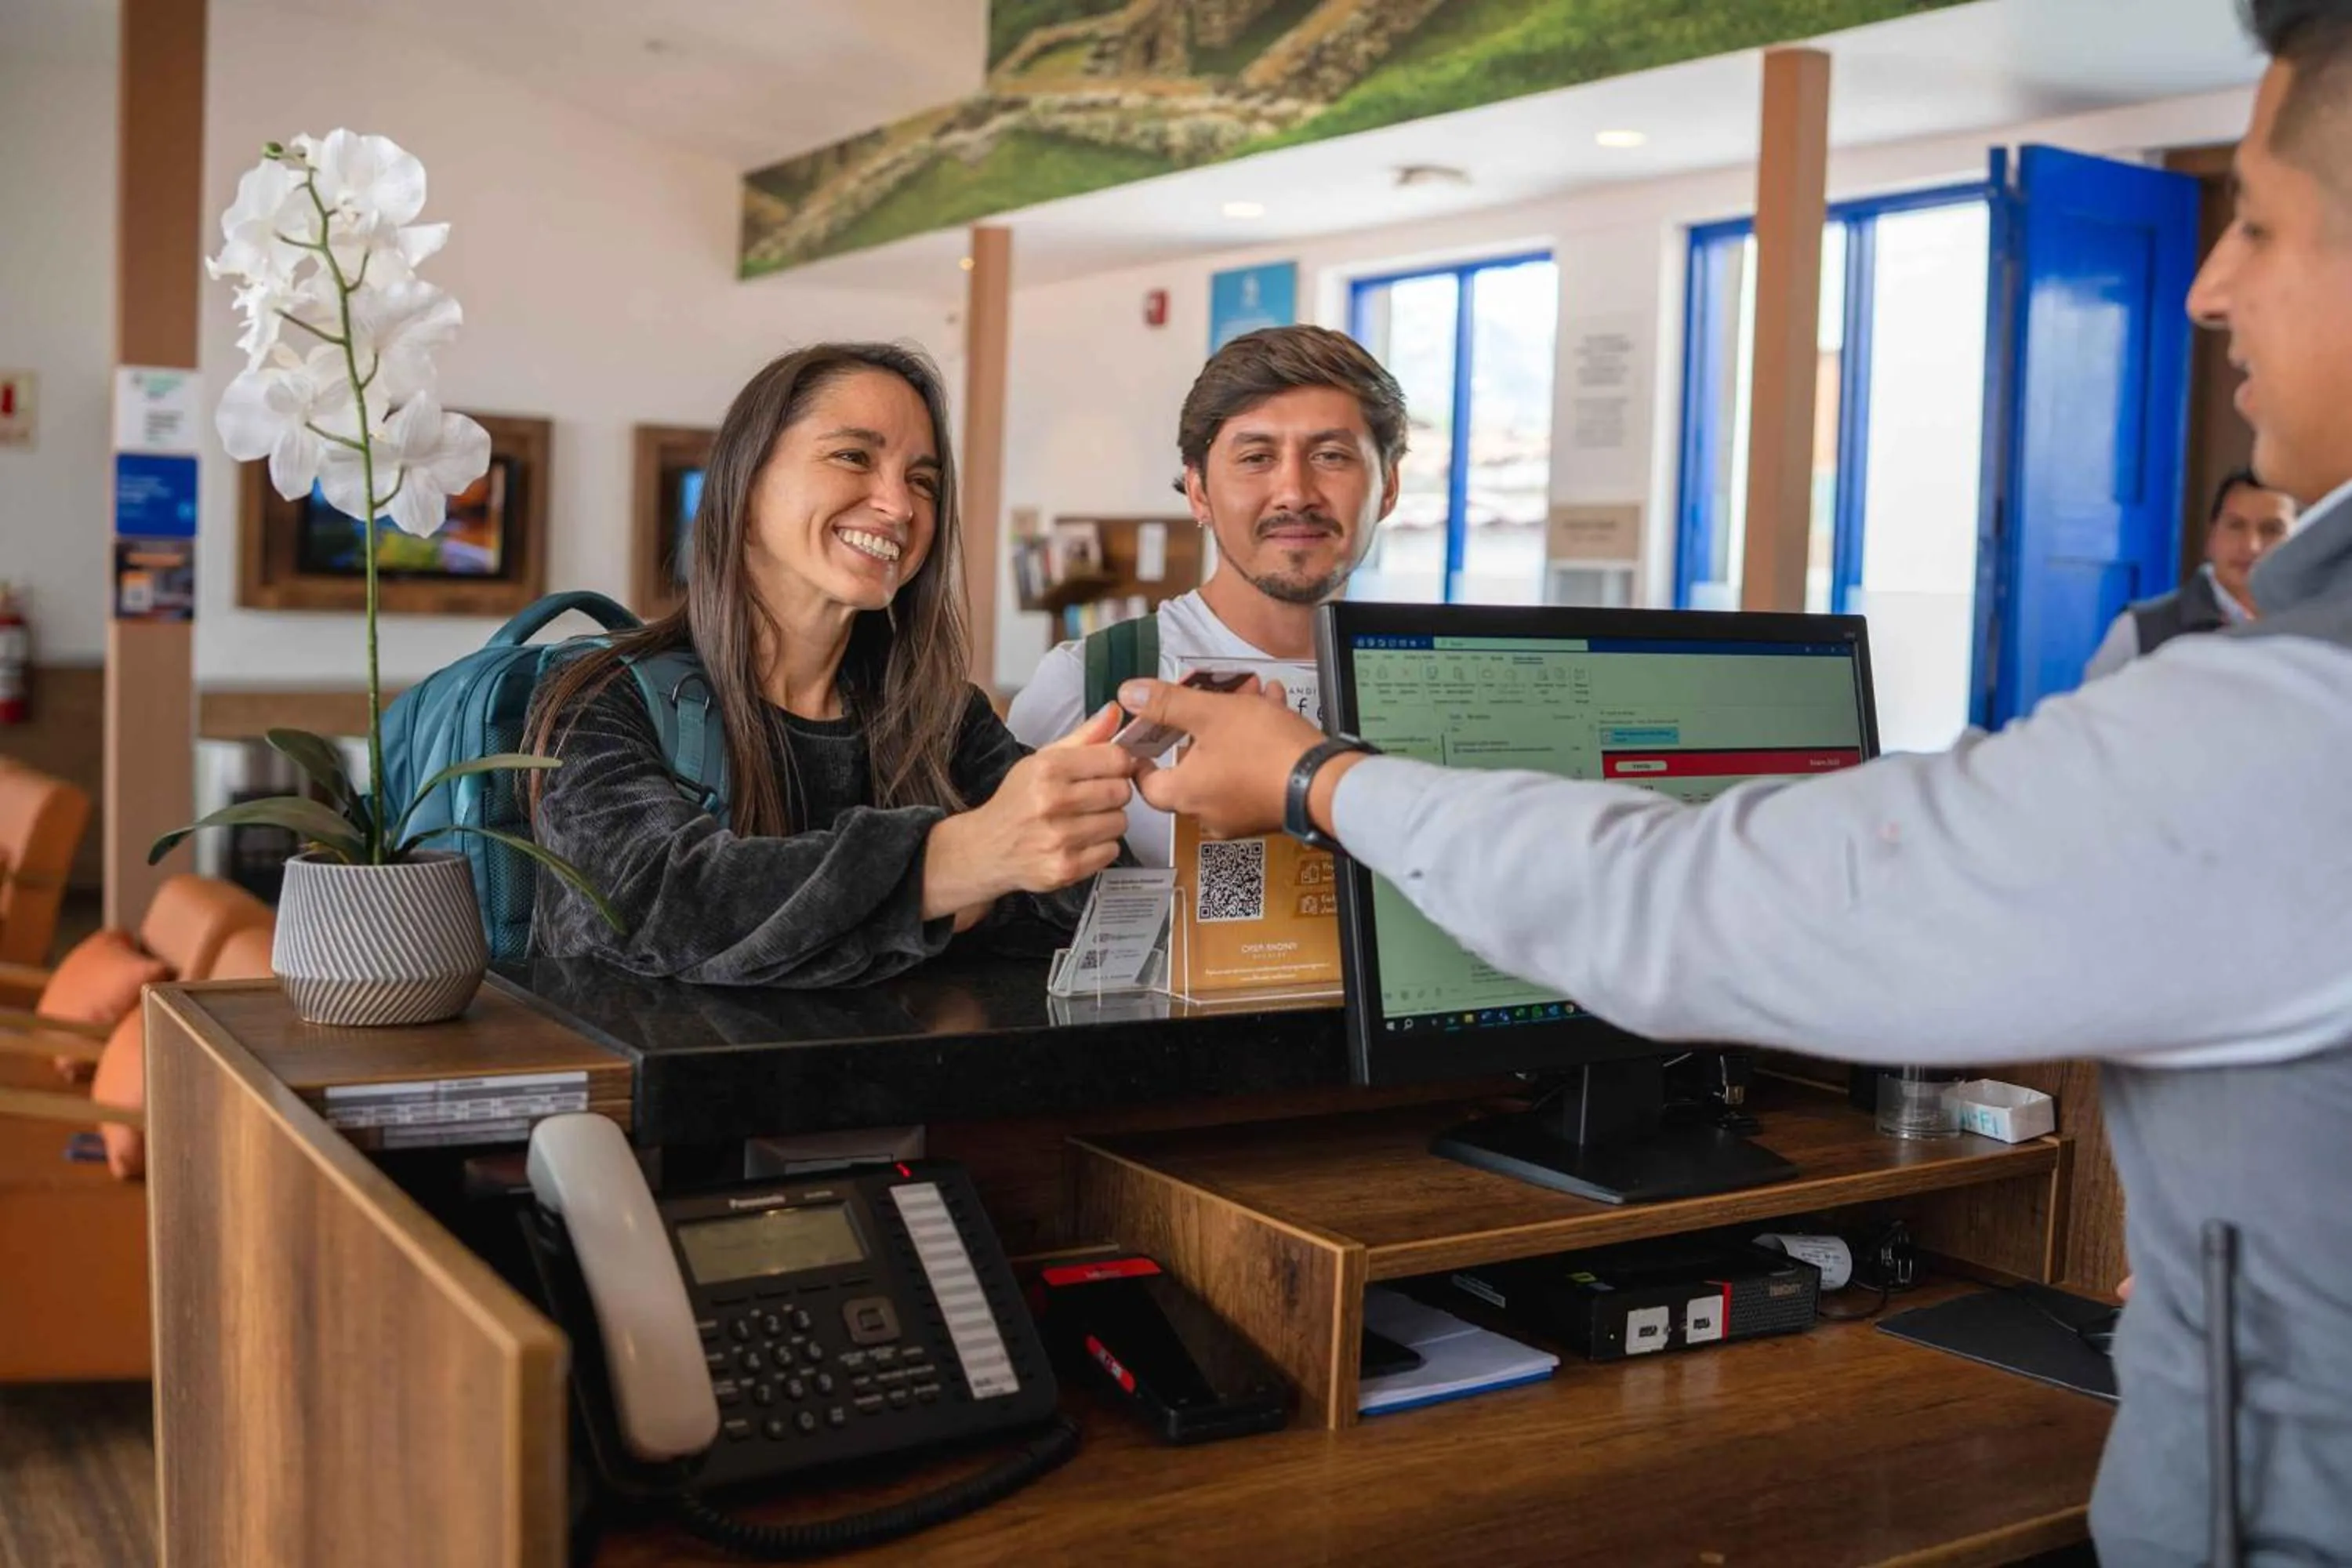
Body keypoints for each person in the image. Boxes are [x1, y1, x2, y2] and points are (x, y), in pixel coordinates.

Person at [1118, 3, 2352, 1558]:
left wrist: (1322, 779)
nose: (2214, 289)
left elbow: (1699, 901)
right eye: (1255, 454)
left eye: (2261, 220)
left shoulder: (2297, 718)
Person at [526, 343, 1136, 986]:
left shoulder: (943, 718)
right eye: (853, 457)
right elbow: (659, 907)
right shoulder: (600, 699)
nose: (899, 506)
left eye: (922, 481)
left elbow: (1102, 907)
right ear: (747, 480)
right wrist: (958, 865)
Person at [1006, 325, 1404, 864]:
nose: (1295, 492)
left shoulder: (1426, 690)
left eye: (1331, 456)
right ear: (1198, 492)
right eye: (1256, 457)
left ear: (1389, 487)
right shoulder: (1090, 684)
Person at [2082, 468, 2298, 679]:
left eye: (2272, 529)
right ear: (2212, 538)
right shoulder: (2140, 631)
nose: (2251, 546)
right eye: (2236, 525)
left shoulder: (2316, 630)